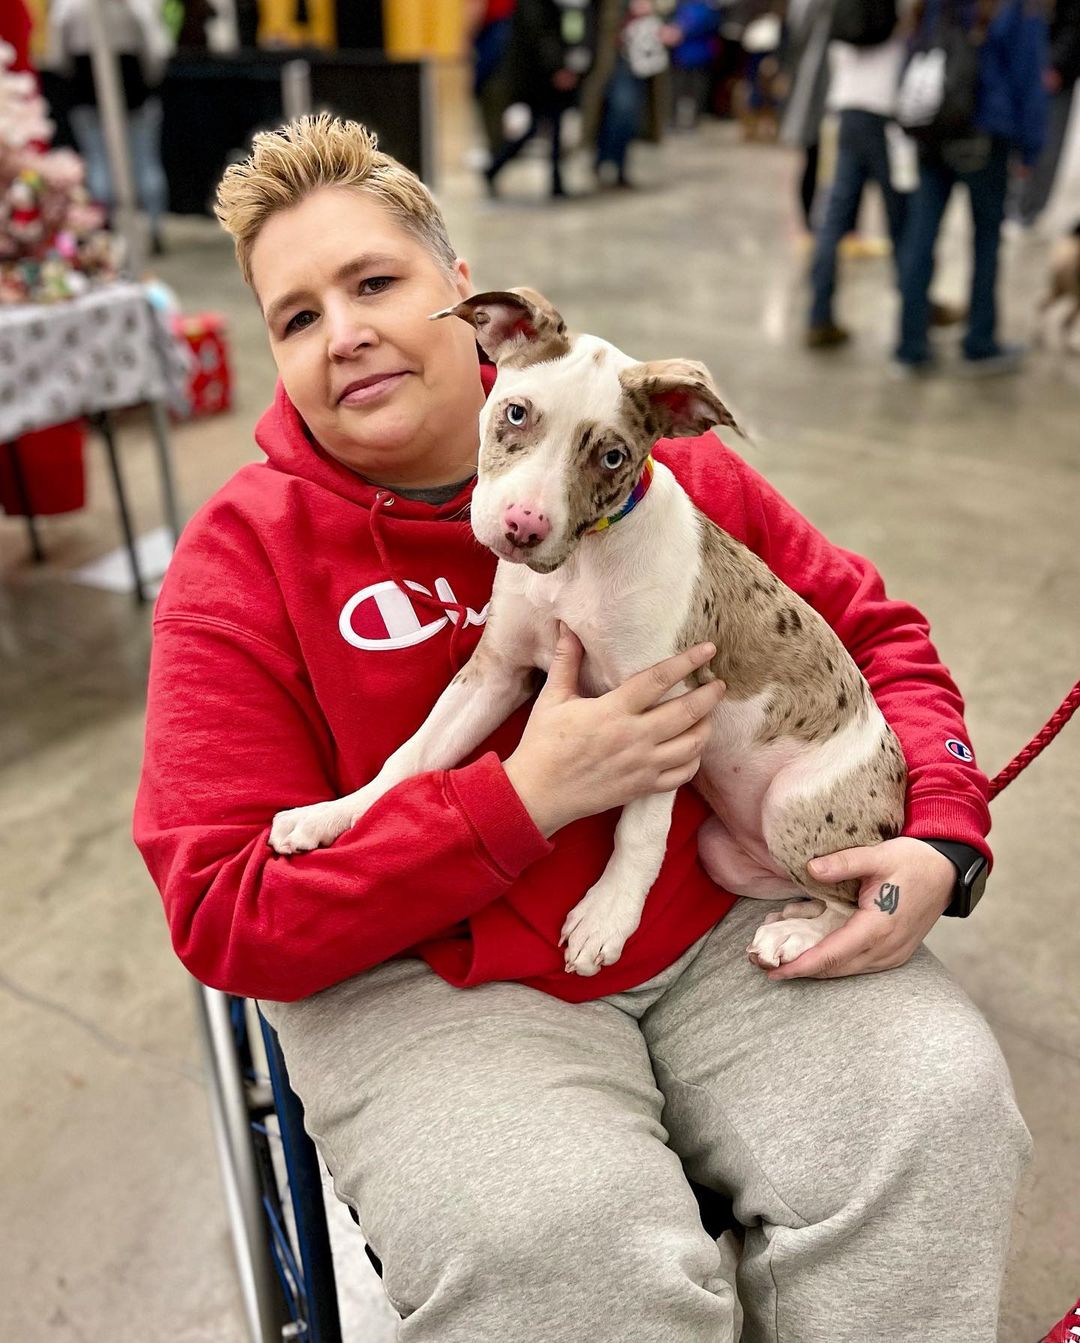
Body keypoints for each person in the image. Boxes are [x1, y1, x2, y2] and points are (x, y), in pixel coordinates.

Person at [135, 114, 1030, 1342]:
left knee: (942, 1112)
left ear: (470, 300)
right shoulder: (237, 562)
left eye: (375, 281)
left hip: (720, 914)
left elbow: (876, 638)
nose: (343, 333)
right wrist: (519, 800)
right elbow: (221, 908)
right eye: (295, 317)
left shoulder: (652, 469)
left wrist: (941, 828)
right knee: (564, 1249)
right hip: (429, 984)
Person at [895, 0, 1049, 374]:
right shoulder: (1011, 7)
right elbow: (1027, 73)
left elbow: (915, 53)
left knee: (921, 237)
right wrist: (1031, 147)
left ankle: (910, 345)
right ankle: (979, 342)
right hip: (986, 135)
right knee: (985, 243)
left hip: (934, 130)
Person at [49, 0, 172, 254]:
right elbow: (156, 50)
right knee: (138, 162)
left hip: (96, 87)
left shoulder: (69, 6)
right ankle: (147, 227)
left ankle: (130, 227)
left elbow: (57, 53)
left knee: (106, 163)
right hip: (123, 87)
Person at [483, 0, 595, 198]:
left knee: (552, 125)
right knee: (540, 125)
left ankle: (555, 180)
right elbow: (539, 34)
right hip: (538, 75)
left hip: (547, 71)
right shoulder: (533, 5)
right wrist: (557, 67)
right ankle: (495, 167)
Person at [1013, 0, 1080, 229]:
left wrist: (1058, 66)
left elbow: (1075, 23)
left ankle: (1029, 210)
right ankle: (1014, 205)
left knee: (1046, 145)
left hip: (1055, 73)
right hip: (1020, 63)